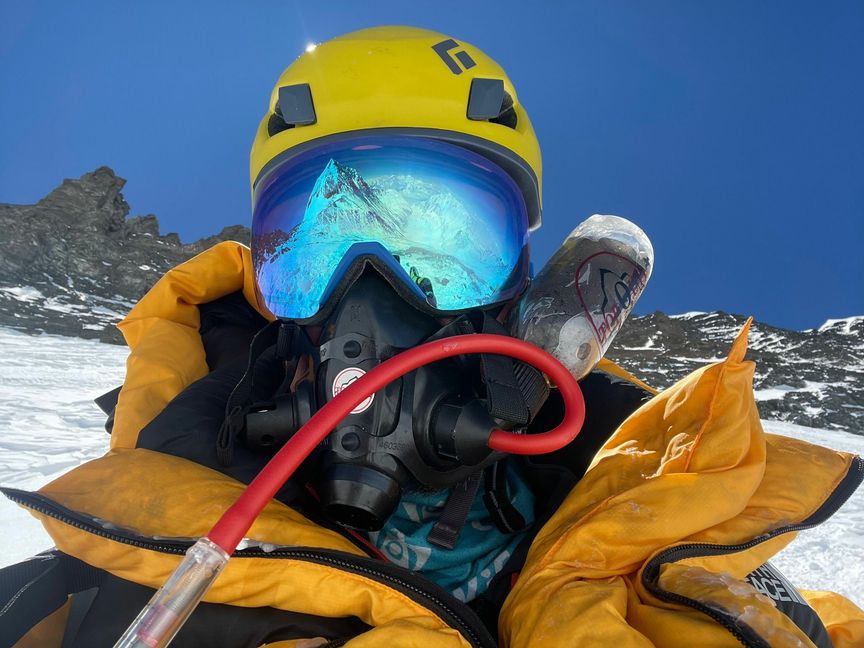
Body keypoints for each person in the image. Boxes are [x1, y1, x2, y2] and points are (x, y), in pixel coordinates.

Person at [2, 26, 862, 648]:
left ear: (525, 292)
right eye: (307, 257)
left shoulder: (680, 563)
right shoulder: (98, 592)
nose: (370, 297)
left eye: (445, 249)